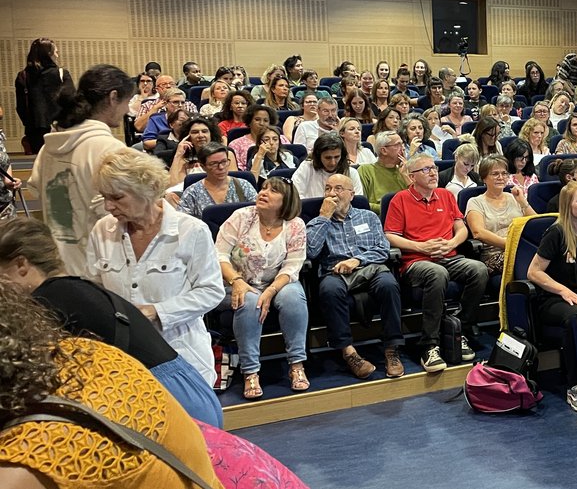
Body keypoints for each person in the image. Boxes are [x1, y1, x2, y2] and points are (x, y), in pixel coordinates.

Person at [0, 218, 223, 427]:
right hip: (184, 390)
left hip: (169, 399)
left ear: (21, 264)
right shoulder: (73, 288)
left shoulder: (48, 301)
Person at [0, 283, 225, 489]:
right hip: (152, 384)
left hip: (172, 376)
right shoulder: (84, 350)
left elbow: (211, 291)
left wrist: (156, 310)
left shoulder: (25, 461)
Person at [86, 148, 224, 386]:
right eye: (104, 197)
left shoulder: (191, 230)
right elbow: (94, 290)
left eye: (117, 198)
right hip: (123, 364)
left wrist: (156, 312)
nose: (108, 206)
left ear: (147, 191)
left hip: (182, 359)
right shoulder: (101, 230)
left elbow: (211, 292)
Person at [385, 154, 489, 373]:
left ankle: (459, 329)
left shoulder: (445, 195)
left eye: (433, 168)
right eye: (425, 170)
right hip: (416, 261)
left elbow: (461, 228)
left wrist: (451, 242)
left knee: (479, 269)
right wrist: (420, 247)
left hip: (449, 255)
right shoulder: (400, 199)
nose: (433, 172)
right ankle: (429, 344)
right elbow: (391, 236)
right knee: (437, 273)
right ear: (412, 177)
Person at [30, 64, 131, 276]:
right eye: (127, 102)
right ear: (113, 97)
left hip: (58, 266)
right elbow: (121, 217)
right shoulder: (109, 149)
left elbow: (39, 195)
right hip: (98, 270)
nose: (127, 110)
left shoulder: (48, 148)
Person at [214, 177, 308, 399]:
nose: (263, 192)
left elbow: (293, 266)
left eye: (273, 191)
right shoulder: (242, 217)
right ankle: (251, 371)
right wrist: (237, 281)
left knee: (293, 298)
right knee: (248, 300)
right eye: (263, 188)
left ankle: (297, 364)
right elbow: (218, 255)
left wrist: (270, 291)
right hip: (234, 282)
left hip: (276, 283)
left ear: (286, 200)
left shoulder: (295, 225)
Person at [307, 173, 405, 379]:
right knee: (329, 290)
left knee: (389, 284)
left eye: (338, 189)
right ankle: (349, 352)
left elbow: (383, 249)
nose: (332, 194)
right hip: (335, 272)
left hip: (369, 268)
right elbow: (310, 252)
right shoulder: (317, 221)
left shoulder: (367, 216)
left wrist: (357, 260)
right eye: (328, 189)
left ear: (352, 194)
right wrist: (324, 218)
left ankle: (392, 348)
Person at [528, 180, 577, 411]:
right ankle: (575, 385)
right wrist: (562, 290)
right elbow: (533, 271)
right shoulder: (556, 232)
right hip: (553, 299)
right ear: (567, 205)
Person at [465, 155, 536, 273]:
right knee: (534, 261)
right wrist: (510, 245)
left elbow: (536, 224)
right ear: (484, 178)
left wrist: (522, 201)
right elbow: (478, 232)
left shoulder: (514, 197)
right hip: (494, 256)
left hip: (521, 250)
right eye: (495, 174)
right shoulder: (475, 202)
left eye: (504, 173)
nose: (501, 177)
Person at [16, 37, 74, 153]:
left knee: (40, 163)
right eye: (56, 52)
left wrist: (29, 123)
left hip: (34, 131)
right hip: (61, 129)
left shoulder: (23, 76)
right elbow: (72, 101)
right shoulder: (61, 74)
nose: (57, 56)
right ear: (49, 54)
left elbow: (21, 107)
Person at [177, 143, 257, 218]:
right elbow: (182, 221)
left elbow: (259, 213)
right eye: (214, 164)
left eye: (224, 162)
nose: (221, 167)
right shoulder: (192, 192)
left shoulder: (244, 185)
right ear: (203, 166)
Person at [293, 133, 363, 199]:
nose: (333, 163)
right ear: (318, 156)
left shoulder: (352, 173)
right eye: (328, 158)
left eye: (337, 157)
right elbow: (295, 196)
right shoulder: (307, 167)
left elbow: (357, 201)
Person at [358, 129, 410, 215]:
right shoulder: (365, 170)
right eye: (398, 145)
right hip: (380, 218)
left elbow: (419, 199)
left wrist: (406, 175)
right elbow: (362, 203)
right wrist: (392, 208)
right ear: (384, 151)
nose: (403, 148)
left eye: (402, 144)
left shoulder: (405, 170)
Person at [228, 104, 282, 170]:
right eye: (257, 119)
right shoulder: (235, 144)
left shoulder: (282, 139)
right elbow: (238, 173)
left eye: (266, 120)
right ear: (249, 121)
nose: (262, 123)